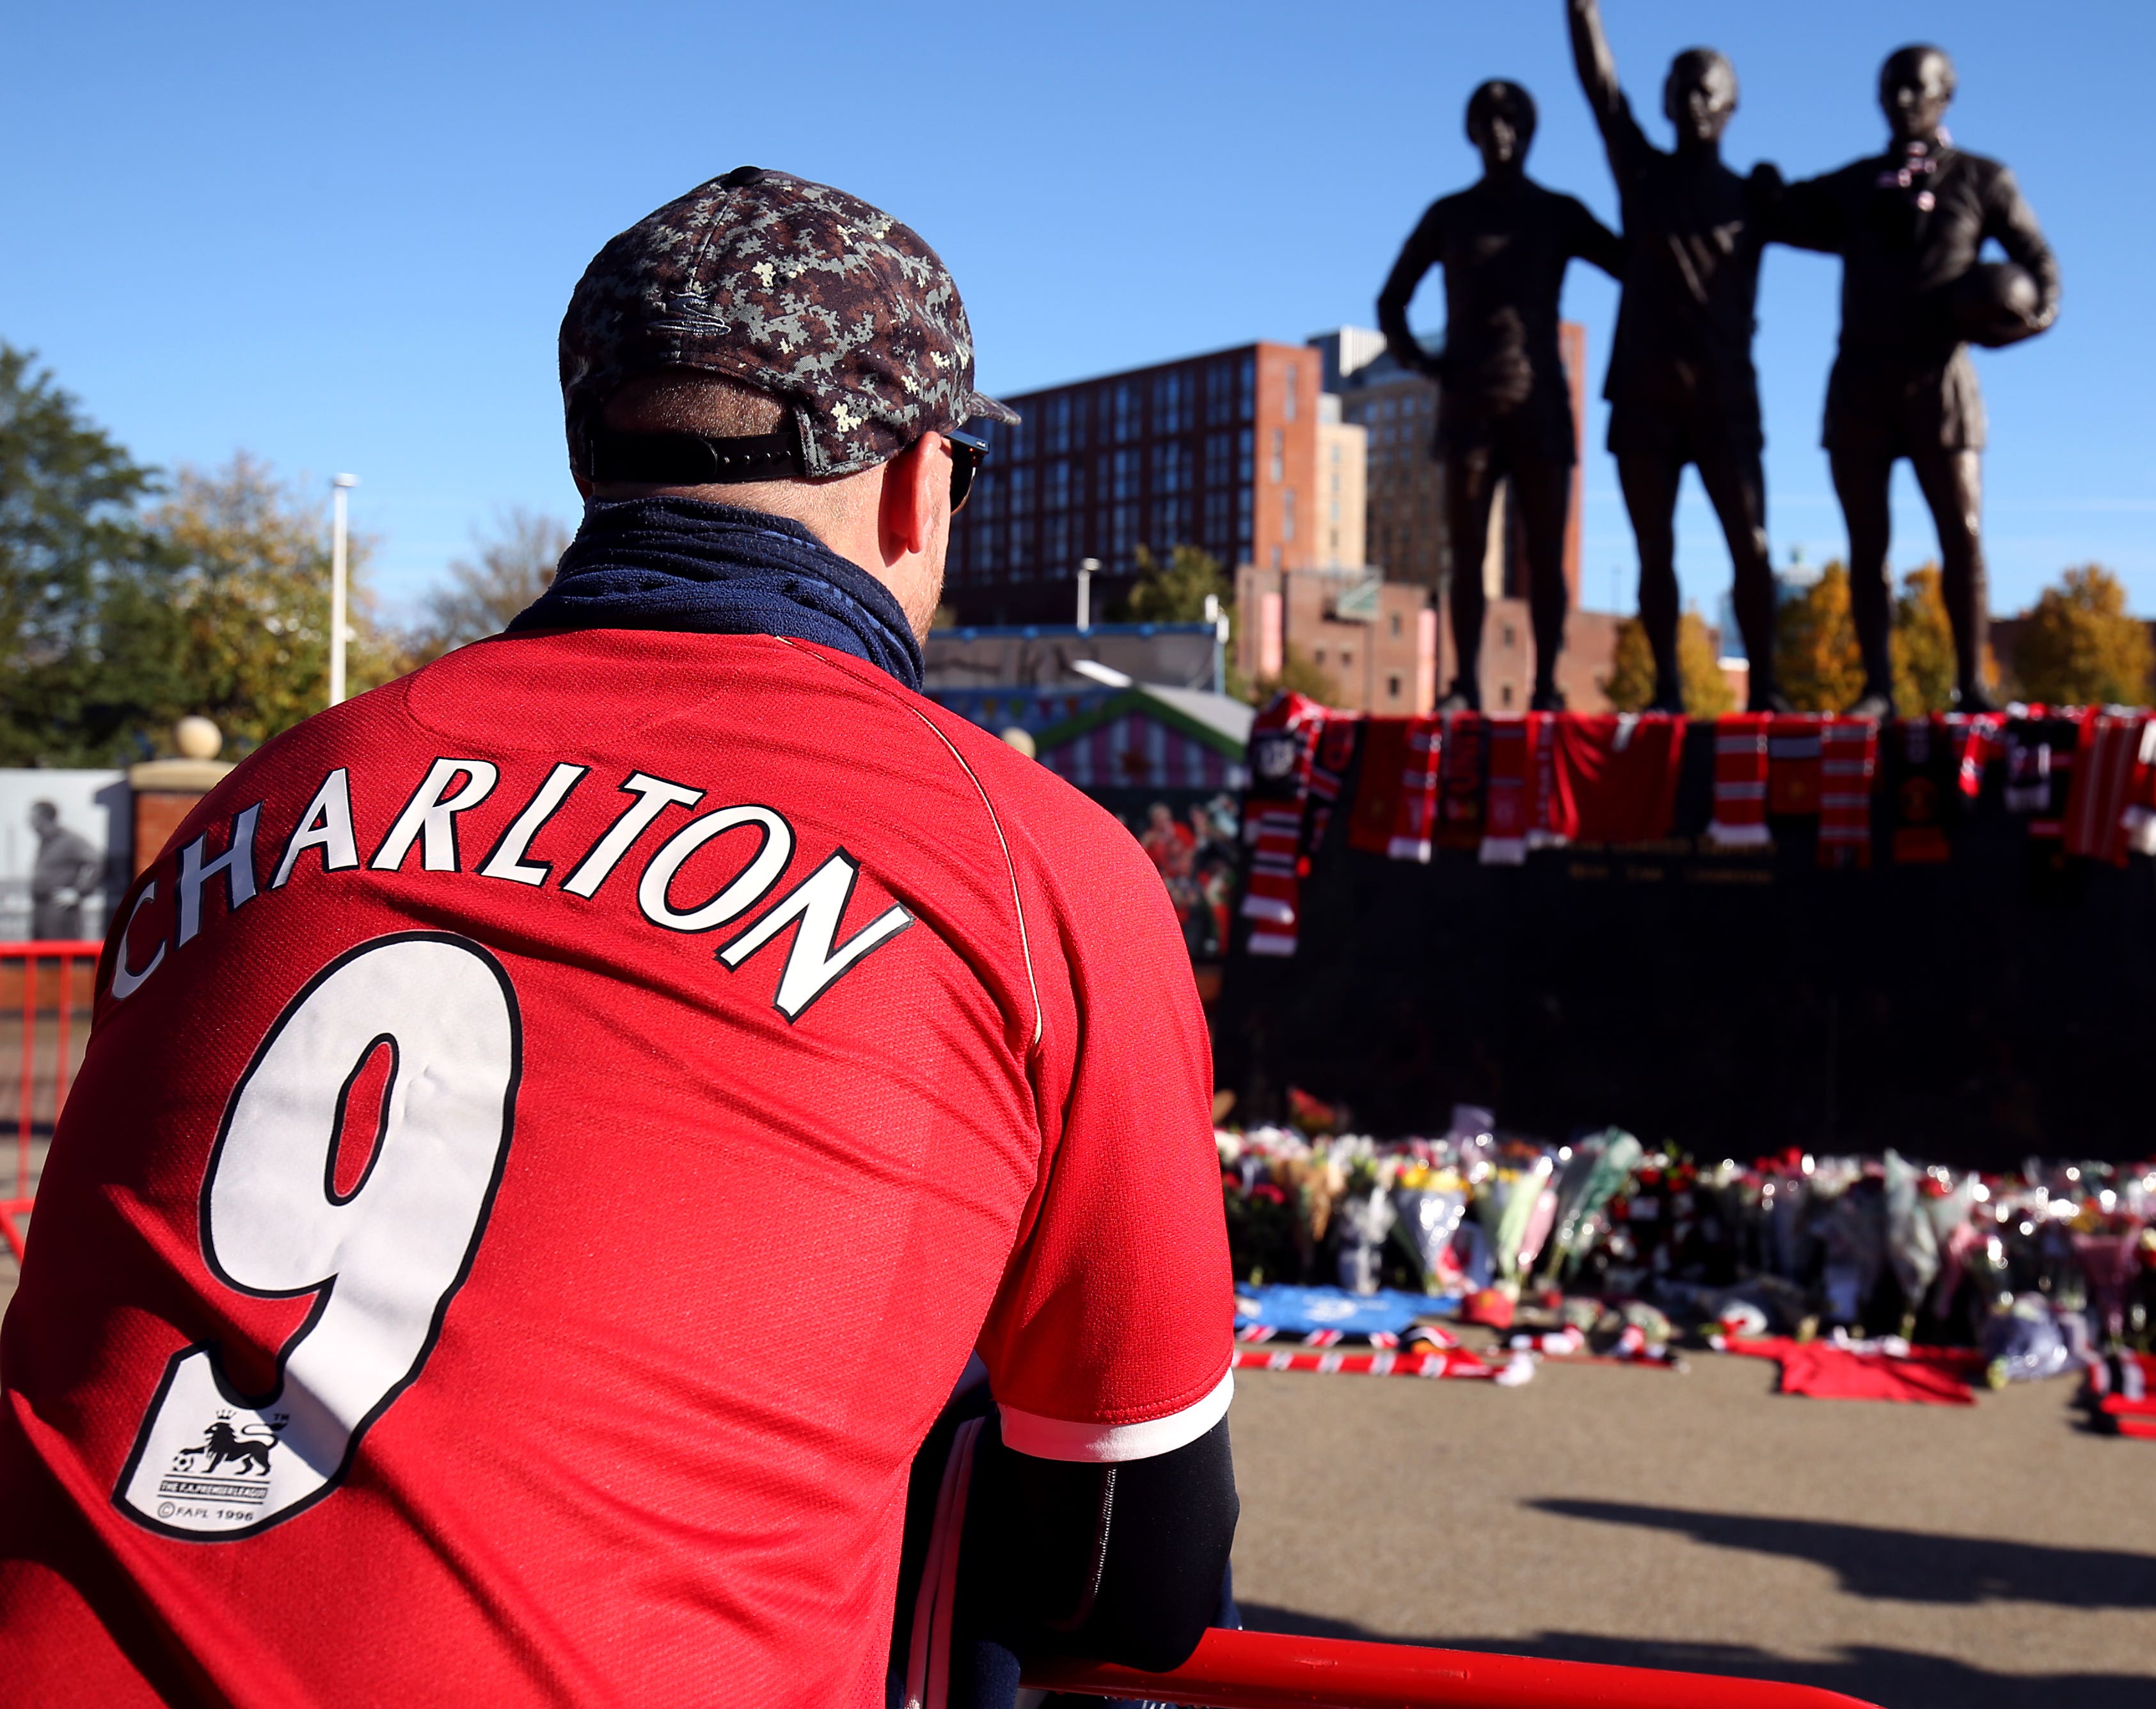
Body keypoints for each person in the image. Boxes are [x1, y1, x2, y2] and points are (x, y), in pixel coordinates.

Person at [0, 168, 1238, 1708]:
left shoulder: (273, 791)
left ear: (590, 454)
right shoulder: (1027, 856)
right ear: (925, 485)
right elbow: (1141, 1567)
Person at [1770, 45, 2060, 714]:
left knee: (1961, 536)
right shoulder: (1856, 185)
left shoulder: (1984, 179)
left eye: (1915, 90)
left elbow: (2041, 265)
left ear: (1945, 96)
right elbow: (1784, 213)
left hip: (1941, 384)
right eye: (1890, 90)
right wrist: (1757, 187)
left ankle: (1972, 683)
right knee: (1865, 543)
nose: (1902, 102)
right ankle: (1878, 685)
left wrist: (2022, 322)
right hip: (1862, 384)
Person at [1556, 0, 1782, 711]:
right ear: (1664, 101)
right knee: (1654, 551)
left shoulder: (1757, 198)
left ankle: (1767, 692)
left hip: (1723, 395)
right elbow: (1596, 80)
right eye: (1680, 89)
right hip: (1647, 393)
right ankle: (1668, 692)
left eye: (1706, 92)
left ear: (1729, 107)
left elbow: (1847, 225)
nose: (1691, 102)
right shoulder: (1642, 176)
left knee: (1751, 547)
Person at [1375, 79, 1623, 712]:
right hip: (1468, 407)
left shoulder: (1557, 212)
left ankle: (1545, 684)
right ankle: (1466, 683)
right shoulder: (1450, 215)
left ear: (1530, 132)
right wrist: (1423, 363)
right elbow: (1391, 299)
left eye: (1512, 122)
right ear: (1472, 133)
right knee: (1467, 553)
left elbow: (1634, 266)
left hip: (1539, 402)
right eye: (1487, 122)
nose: (1500, 134)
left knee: (1545, 554)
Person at [24, 800, 103, 940]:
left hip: (60, 912)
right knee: (40, 959)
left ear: (45, 819)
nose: (30, 824)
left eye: (33, 819)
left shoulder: (70, 840)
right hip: (41, 910)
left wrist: (79, 892)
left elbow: (97, 861)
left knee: (59, 957)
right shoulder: (45, 843)